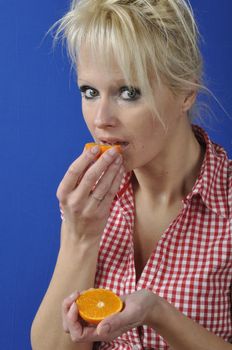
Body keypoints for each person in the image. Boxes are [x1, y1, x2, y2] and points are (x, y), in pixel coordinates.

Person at [31, 0, 232, 349]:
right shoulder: (89, 201)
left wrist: (158, 313)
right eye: (90, 92)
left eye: (128, 92)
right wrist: (80, 237)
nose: (101, 119)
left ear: (186, 91)